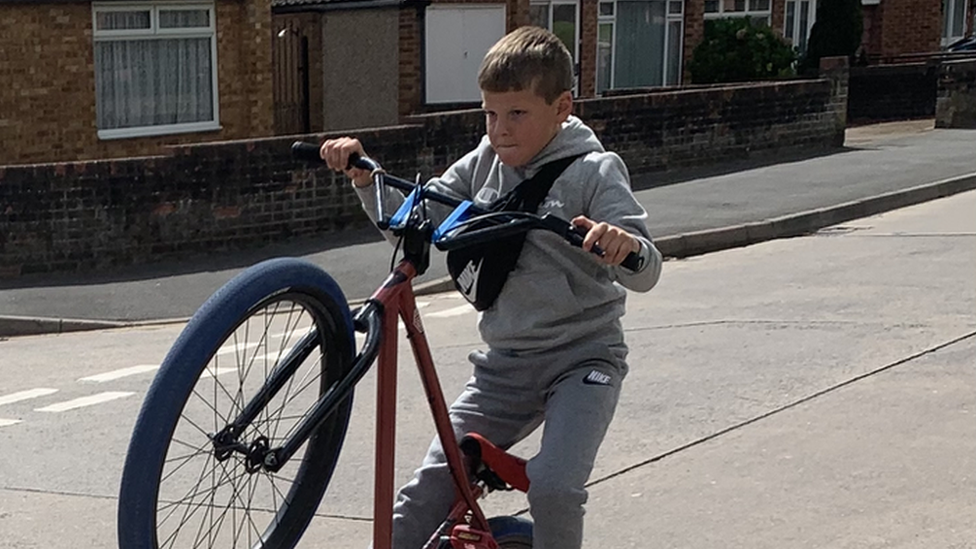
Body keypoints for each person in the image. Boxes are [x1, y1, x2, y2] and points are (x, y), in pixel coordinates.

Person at [320, 25, 662, 549]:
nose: (500, 130)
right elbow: (415, 215)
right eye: (490, 114)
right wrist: (367, 181)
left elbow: (647, 269)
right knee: (419, 500)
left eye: (517, 114)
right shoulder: (483, 162)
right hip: (503, 370)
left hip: (583, 360)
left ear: (562, 107)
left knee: (554, 486)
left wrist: (622, 245)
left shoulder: (594, 171)